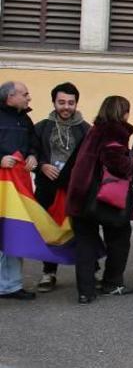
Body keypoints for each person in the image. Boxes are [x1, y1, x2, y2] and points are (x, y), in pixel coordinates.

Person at [66, 95, 133, 304]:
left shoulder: (94, 130)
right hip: (104, 196)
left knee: (85, 245)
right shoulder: (115, 131)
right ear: (122, 112)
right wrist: (132, 161)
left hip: (80, 195)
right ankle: (112, 283)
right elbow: (113, 159)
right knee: (119, 239)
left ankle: (85, 291)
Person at [32, 82, 90, 293]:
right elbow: (31, 152)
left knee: (83, 231)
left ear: (76, 103)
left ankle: (91, 270)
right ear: (54, 102)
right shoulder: (41, 127)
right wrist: (41, 166)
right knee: (50, 230)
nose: (66, 106)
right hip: (47, 189)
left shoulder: (86, 129)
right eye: (62, 102)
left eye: (71, 103)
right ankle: (49, 272)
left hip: (76, 191)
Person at [0, 81, 38, 300]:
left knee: (15, 233)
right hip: (2, 184)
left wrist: (33, 155)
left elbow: (34, 144)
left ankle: (11, 285)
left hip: (18, 186)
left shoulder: (25, 119)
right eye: (25, 94)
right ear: (10, 96)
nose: (29, 98)